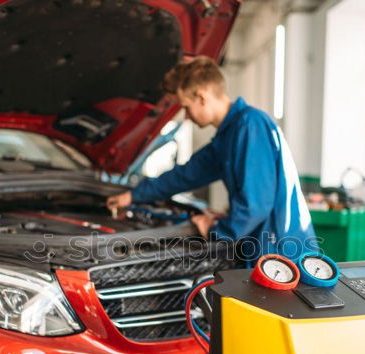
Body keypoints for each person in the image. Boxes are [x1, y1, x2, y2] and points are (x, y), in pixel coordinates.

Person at [106, 56, 316, 261]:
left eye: (186, 107)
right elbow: (185, 175)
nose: (186, 116)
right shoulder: (228, 136)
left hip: (280, 255)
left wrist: (217, 230)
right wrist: (133, 196)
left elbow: (255, 206)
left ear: (202, 97)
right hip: (259, 246)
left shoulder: (250, 126)